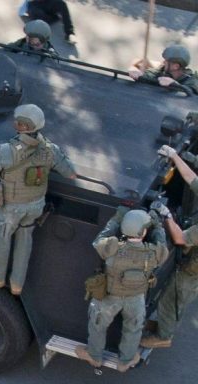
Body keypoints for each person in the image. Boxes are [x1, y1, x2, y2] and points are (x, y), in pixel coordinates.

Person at [0, 104, 76, 295]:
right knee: (25, 240)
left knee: (2, 238)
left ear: (22, 126)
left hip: (10, 207)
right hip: (35, 206)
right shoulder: (50, 149)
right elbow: (71, 173)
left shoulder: (8, 150)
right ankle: (17, 284)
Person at [76, 208, 169, 372]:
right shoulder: (154, 252)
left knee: (97, 324)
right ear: (144, 231)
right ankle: (125, 361)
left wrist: (116, 219)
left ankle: (94, 356)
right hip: (136, 297)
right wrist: (157, 224)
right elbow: (163, 245)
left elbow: (99, 240)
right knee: (133, 328)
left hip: (109, 297)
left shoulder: (111, 247)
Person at [140, 144, 198, 348]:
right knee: (173, 298)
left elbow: (181, 238)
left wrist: (166, 216)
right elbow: (192, 179)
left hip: (192, 271)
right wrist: (175, 156)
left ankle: (164, 336)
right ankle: (163, 327)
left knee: (173, 298)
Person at [128, 44, 198, 96]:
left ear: (176, 66)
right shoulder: (162, 71)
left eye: (166, 61)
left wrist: (175, 84)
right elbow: (151, 74)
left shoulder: (192, 80)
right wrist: (139, 75)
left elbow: (191, 94)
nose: (163, 62)